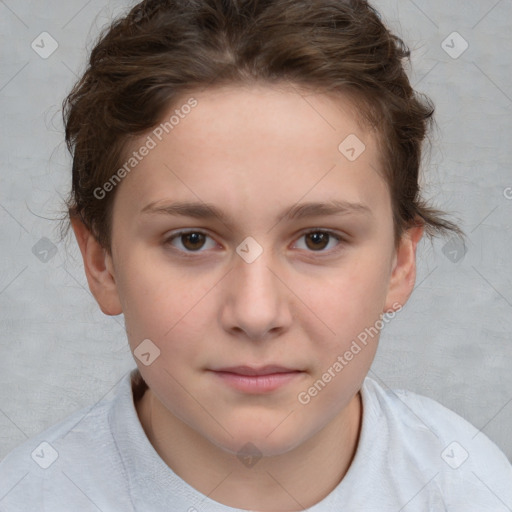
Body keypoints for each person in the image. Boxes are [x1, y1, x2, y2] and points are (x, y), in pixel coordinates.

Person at [1, 0, 511, 510]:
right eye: (192, 240)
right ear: (101, 263)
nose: (256, 313)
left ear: (400, 263)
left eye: (318, 239)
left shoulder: (471, 487)